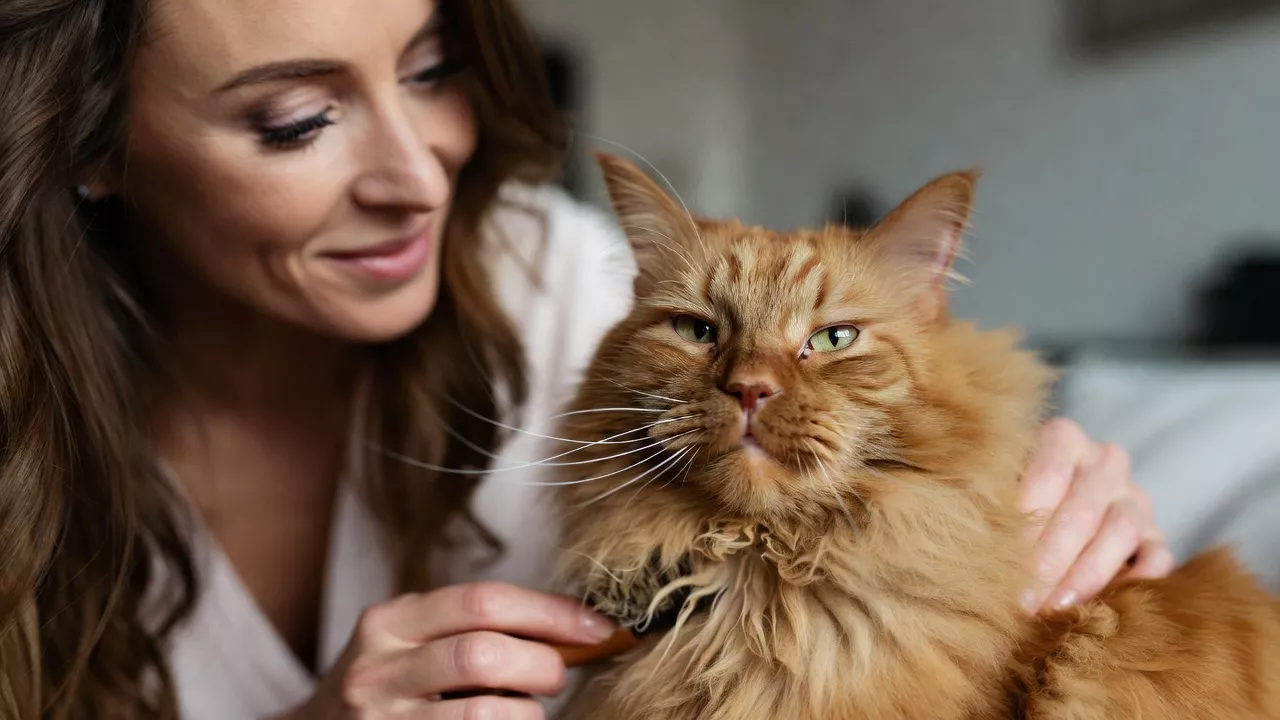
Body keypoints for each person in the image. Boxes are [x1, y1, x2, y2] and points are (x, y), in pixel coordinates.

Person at [0, 0, 1175, 718]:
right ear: (90, 147)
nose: (418, 175)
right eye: (297, 119)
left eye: (429, 69)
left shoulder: (561, 276)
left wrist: (1056, 504)